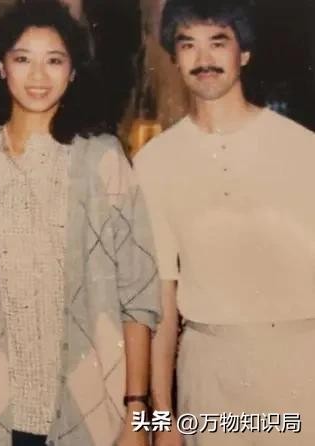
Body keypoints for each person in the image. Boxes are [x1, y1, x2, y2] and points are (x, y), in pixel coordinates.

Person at [0, 2, 161, 445]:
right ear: (1, 67)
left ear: (73, 72)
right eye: (22, 58)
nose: (37, 75)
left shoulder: (104, 160)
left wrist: (137, 413)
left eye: (54, 60)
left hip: (94, 413)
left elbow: (138, 293)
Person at [135, 1, 315, 445]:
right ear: (174, 58)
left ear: (244, 53)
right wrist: (163, 421)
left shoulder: (301, 148)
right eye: (188, 45)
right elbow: (161, 299)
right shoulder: (155, 162)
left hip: (301, 367)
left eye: (218, 42)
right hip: (209, 375)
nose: (204, 59)